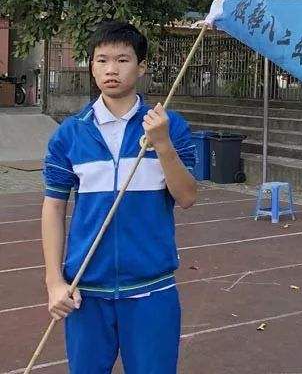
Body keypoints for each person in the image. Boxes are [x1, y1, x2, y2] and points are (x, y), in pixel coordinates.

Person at [41, 21, 198, 373]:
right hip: (85, 291)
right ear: (91, 66)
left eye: (123, 60)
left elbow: (187, 197)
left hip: (151, 289)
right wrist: (54, 282)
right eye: (102, 60)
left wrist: (163, 144)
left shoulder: (169, 125)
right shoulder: (70, 134)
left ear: (141, 67)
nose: (111, 69)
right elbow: (53, 207)